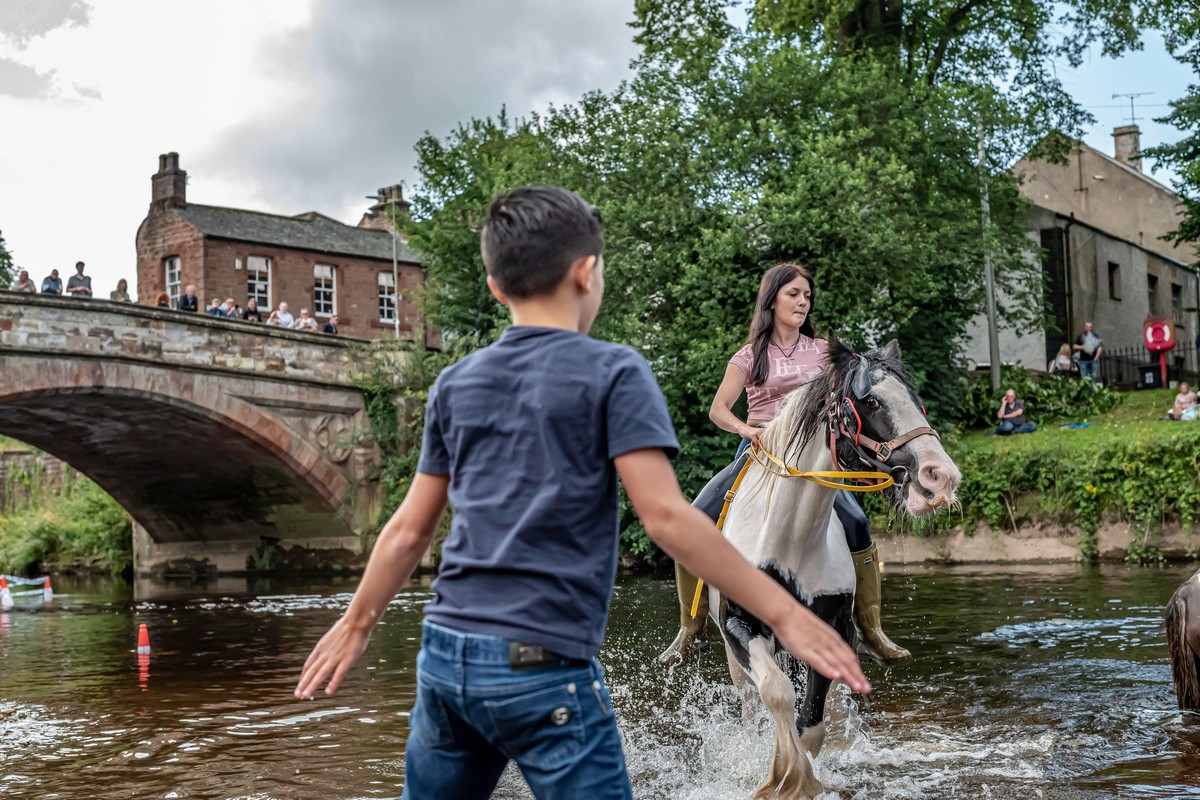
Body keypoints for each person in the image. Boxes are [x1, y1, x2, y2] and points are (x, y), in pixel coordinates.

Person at [293, 185, 869, 800]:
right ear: (587, 273)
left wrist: (357, 624)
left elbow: (409, 530)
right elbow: (667, 521)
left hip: (444, 658)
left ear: (495, 286)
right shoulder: (614, 372)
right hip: (542, 667)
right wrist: (785, 614)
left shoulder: (455, 383)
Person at [659, 263, 911, 669]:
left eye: (807, 296)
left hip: (813, 458)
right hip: (760, 451)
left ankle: (870, 628)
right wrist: (747, 428)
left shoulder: (821, 353)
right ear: (772, 299)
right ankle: (690, 628)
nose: (803, 302)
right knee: (694, 520)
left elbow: (851, 397)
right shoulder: (748, 355)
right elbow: (717, 410)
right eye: (794, 294)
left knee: (858, 525)